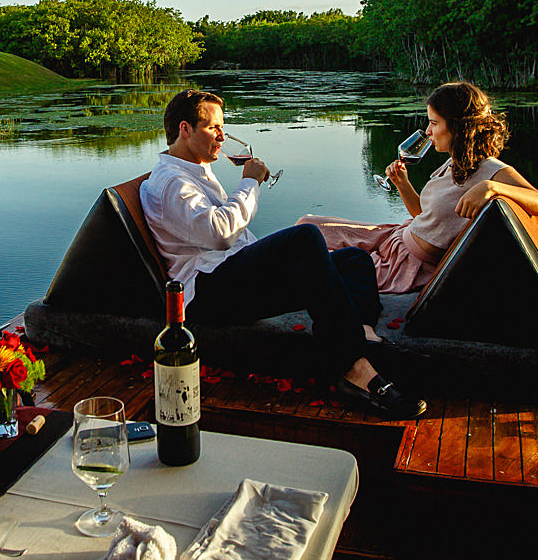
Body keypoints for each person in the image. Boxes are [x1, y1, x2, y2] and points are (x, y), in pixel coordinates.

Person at [140, 88, 426, 418]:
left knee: (354, 260)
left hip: (230, 275)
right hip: (206, 292)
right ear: (185, 129)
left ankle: (361, 335)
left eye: (223, 127)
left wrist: (273, 259)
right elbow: (219, 234)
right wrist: (249, 184)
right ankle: (356, 372)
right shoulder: (172, 182)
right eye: (213, 128)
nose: (223, 136)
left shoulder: (194, 171)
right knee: (305, 237)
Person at [299, 81, 538, 293]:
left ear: (459, 127)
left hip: (406, 265)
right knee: (308, 226)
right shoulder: (454, 162)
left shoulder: (489, 170)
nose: (428, 131)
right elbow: (423, 215)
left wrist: (491, 187)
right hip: (395, 238)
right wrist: (403, 184)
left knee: (308, 265)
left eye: (434, 123)